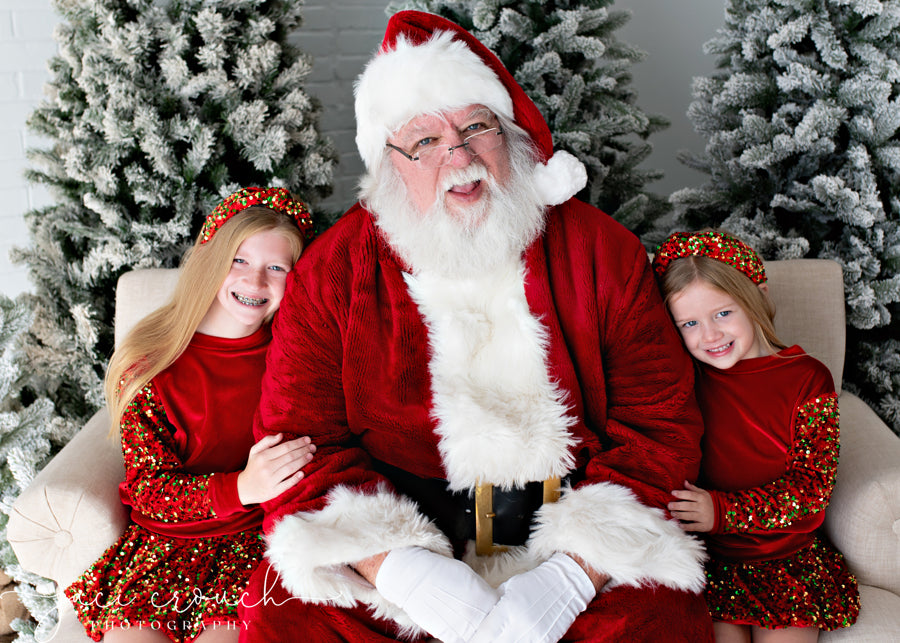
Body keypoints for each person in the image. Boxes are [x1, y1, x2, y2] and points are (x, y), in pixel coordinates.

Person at [240, 10, 713, 643]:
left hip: (574, 542)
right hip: (402, 549)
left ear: (510, 137)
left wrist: (572, 576)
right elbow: (298, 442)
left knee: (660, 624)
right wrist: (406, 574)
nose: (459, 157)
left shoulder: (603, 253)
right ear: (389, 163)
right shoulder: (335, 271)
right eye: (425, 141)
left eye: (475, 127)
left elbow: (659, 425)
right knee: (287, 623)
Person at [65, 187, 319, 643]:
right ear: (211, 260)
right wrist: (242, 485)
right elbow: (148, 491)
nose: (255, 281)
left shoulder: (294, 358)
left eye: (276, 268)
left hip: (249, 548)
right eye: (239, 261)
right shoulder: (152, 363)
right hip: (161, 551)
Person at [653, 230, 861, 642]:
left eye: (722, 314)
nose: (710, 335)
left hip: (786, 562)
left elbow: (812, 488)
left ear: (757, 300)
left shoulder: (807, 378)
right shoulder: (686, 380)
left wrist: (723, 512)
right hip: (712, 563)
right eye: (690, 323)